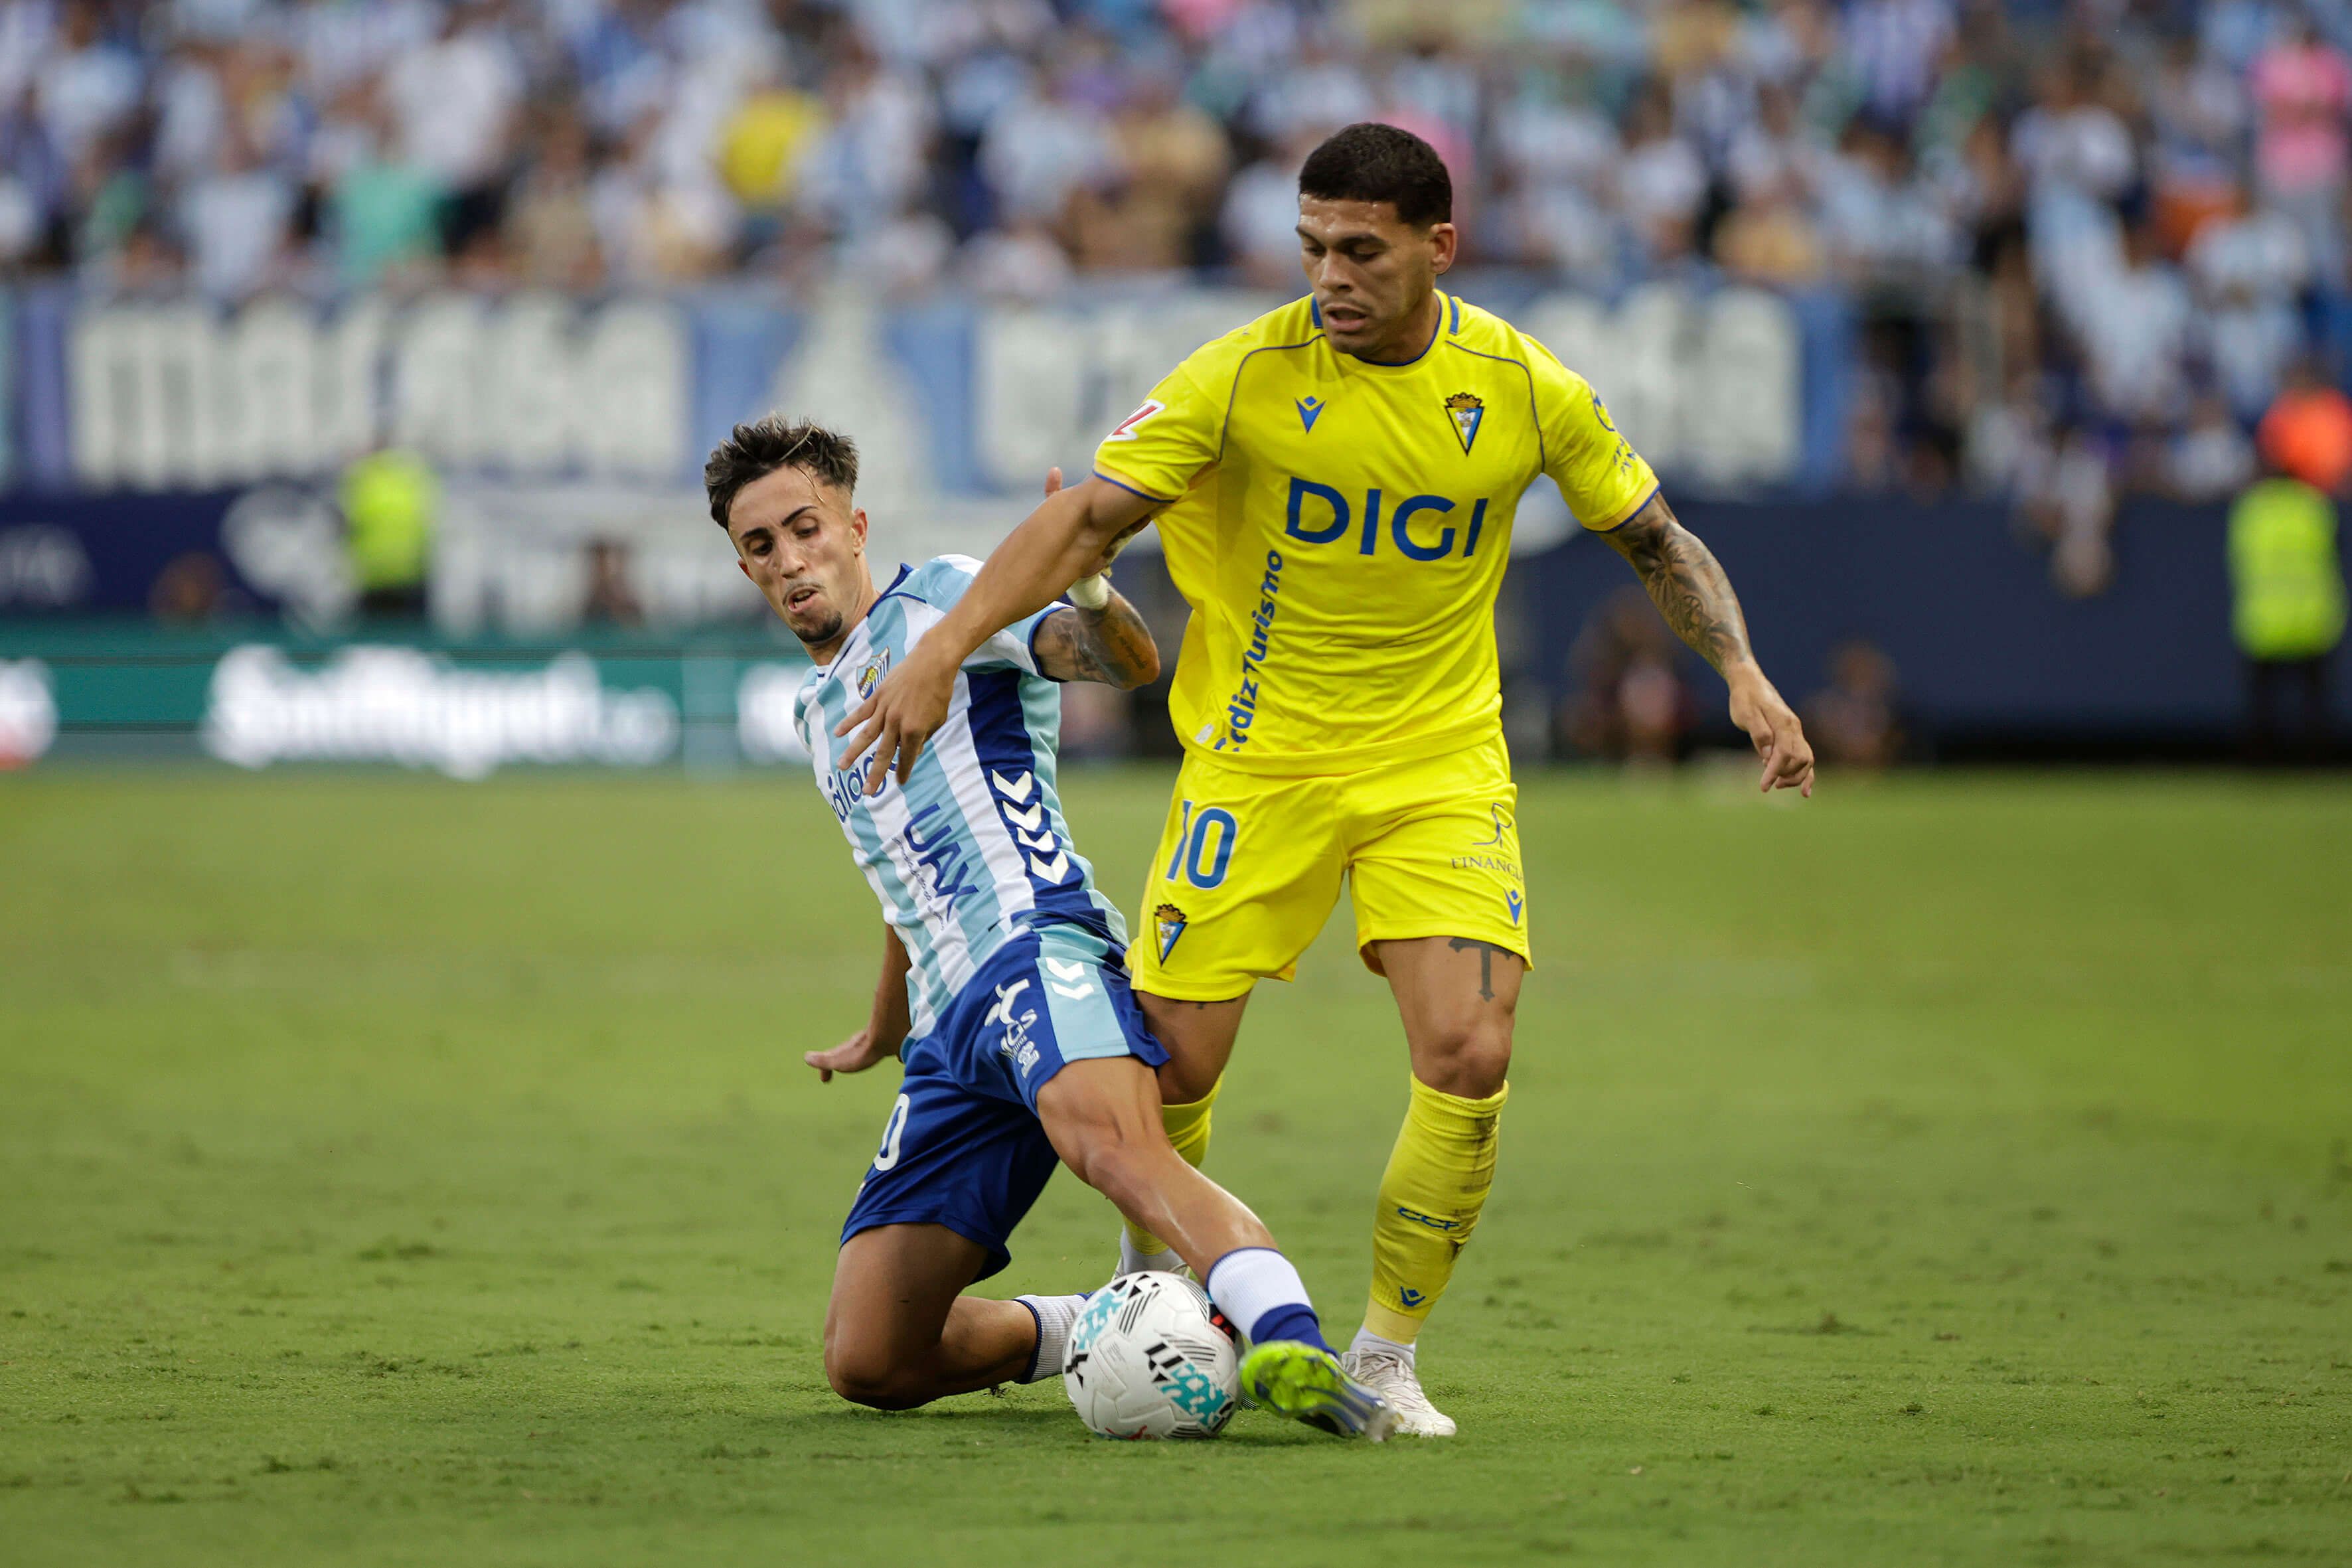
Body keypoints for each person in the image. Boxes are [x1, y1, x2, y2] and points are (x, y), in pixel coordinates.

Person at [832, 123, 1816, 1437]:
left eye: (1360, 250)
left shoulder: (1521, 386)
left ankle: (1388, 1355)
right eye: (1310, 249)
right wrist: (945, 647)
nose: (1330, 277)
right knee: (1170, 1066)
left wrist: (1741, 671)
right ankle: (1153, 1298)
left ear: (1438, 247)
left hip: (1438, 764)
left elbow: (1654, 535)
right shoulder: (1242, 375)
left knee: (1470, 1048)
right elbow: (1083, 518)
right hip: (1259, 761)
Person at [707, 415, 1395, 1440]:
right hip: (948, 1038)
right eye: (761, 545)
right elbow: (901, 877)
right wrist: (887, 1023)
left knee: (1117, 1150)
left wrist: (1091, 589)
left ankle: (1292, 1341)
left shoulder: (949, 601)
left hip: (1038, 947)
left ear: (854, 527)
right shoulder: (817, 714)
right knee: (869, 1355)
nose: (790, 560)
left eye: (805, 528)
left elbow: (1125, 661)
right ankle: (1100, 1324)